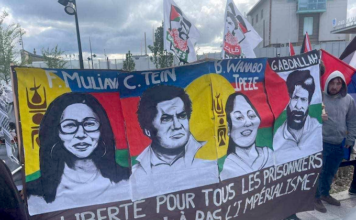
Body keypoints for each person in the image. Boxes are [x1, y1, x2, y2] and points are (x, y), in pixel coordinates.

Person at [26, 93, 130, 215]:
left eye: (89, 124)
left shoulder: (127, 179)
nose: (81, 134)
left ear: (102, 129)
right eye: (70, 125)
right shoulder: (34, 193)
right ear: (56, 132)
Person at [130, 85, 218, 200]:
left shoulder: (210, 157)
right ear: (148, 131)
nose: (177, 126)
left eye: (181, 116)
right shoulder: (137, 174)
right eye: (166, 119)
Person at [314, 71, 356, 213]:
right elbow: (308, 118)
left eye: (338, 83)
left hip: (339, 143)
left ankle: (325, 194)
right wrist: (318, 117)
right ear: (327, 83)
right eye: (332, 82)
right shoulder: (319, 98)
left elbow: (351, 120)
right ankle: (316, 198)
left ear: (343, 85)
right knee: (319, 171)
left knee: (331, 171)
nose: (335, 86)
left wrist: (350, 138)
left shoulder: (348, 99)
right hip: (321, 143)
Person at [273, 69, 322, 165]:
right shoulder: (277, 137)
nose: (298, 106)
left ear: (309, 102)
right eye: (295, 98)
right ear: (287, 99)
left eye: (303, 99)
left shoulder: (316, 129)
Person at [220, 93, 273, 180]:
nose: (248, 123)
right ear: (228, 128)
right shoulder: (227, 166)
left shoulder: (269, 155)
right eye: (239, 117)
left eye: (251, 116)